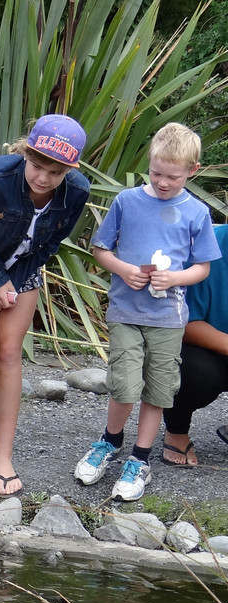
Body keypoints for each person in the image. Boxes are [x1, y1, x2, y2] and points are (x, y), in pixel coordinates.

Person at [0, 114, 91, 498]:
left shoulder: (77, 190)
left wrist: (16, 275)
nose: (43, 178)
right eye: (37, 165)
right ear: (26, 152)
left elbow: (54, 239)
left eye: (55, 172)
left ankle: (4, 457)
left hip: (26, 263)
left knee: (10, 353)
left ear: (69, 170)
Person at [75, 123, 221, 499]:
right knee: (123, 383)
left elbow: (201, 267)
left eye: (173, 176)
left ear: (193, 170)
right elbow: (101, 248)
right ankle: (109, 442)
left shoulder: (196, 212)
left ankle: (140, 458)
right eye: (156, 172)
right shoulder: (127, 201)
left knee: (159, 389)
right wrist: (124, 270)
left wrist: (174, 278)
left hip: (169, 319)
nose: (164, 182)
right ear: (150, 163)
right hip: (127, 311)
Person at [161, 224, 228, 466]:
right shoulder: (209, 246)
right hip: (204, 349)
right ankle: (177, 430)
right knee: (194, 371)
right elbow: (184, 324)